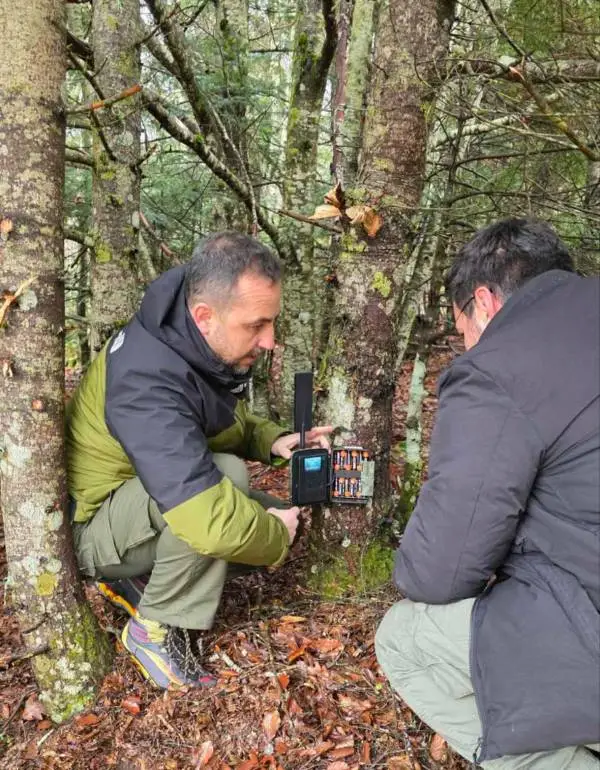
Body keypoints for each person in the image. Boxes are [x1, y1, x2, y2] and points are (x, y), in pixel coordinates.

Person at [375, 219, 600, 769]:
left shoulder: (499, 368)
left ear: (483, 301)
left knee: (403, 638)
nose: (468, 346)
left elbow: (439, 571)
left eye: (463, 331)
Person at [66, 232, 331, 689]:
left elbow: (213, 420)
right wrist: (275, 538)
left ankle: (149, 576)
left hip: (137, 501)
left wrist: (272, 440)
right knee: (231, 495)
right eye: (256, 325)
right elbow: (208, 521)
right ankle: (153, 628)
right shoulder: (145, 383)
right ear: (205, 316)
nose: (269, 340)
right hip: (92, 531)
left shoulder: (181, 338)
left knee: (248, 506)